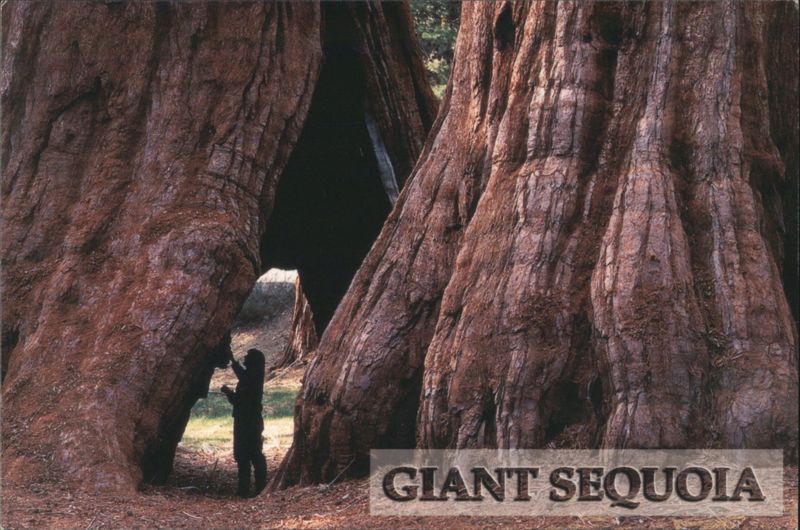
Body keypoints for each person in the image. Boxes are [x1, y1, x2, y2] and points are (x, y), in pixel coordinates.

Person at [221, 348, 267, 498]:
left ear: (253, 361)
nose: (245, 358)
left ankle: (260, 488)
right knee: (242, 455)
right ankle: (243, 489)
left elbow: (244, 377)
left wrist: (233, 362)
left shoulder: (253, 377)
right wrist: (229, 393)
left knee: (254, 454)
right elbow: (238, 401)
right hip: (242, 421)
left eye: (248, 357)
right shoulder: (248, 377)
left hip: (251, 422)